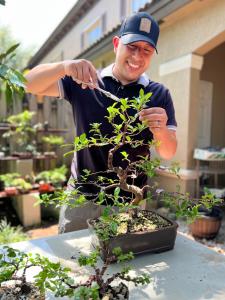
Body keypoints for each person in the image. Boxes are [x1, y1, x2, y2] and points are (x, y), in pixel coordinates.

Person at [25, 12, 177, 233]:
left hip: (129, 203)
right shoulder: (86, 82)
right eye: (132, 46)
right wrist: (64, 66)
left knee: (124, 264)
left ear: (153, 53)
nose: (137, 56)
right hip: (81, 199)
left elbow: (169, 152)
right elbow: (27, 84)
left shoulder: (159, 94)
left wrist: (161, 131)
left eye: (146, 50)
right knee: (72, 261)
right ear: (116, 44)